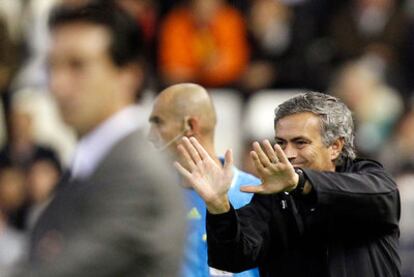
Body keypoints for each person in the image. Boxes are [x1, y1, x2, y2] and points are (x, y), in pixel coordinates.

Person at [13, 2, 185, 276]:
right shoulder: (93, 162)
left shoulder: (135, 175)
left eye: (77, 65)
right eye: (52, 66)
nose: (57, 84)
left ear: (128, 75)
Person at [175, 92, 401, 276]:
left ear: (335, 147)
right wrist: (219, 207)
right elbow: (234, 257)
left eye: (300, 142)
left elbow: (377, 198)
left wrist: (299, 183)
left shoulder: (371, 178)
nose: (288, 153)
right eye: (281, 143)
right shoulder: (273, 196)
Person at [148, 83, 260, 277]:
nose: (150, 135)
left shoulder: (255, 194)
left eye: (158, 122)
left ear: (190, 125)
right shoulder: (154, 198)